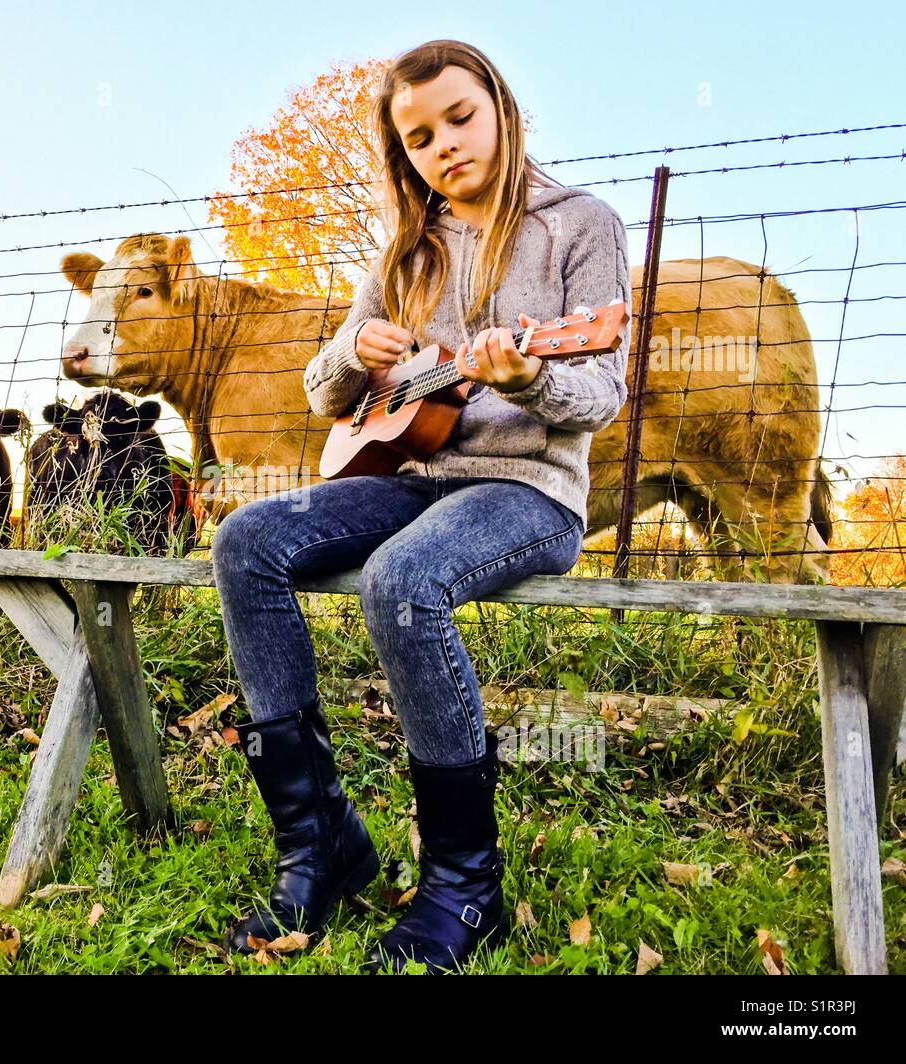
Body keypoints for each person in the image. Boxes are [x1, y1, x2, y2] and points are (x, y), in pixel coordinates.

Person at [209, 38, 632, 973]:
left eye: (459, 117)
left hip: (526, 491)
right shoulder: (409, 246)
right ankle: (318, 844)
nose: (442, 145)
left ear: (502, 109)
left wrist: (527, 379)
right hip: (403, 477)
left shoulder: (581, 226)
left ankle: (462, 883)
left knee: (404, 581)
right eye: (418, 136)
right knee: (245, 538)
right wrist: (355, 348)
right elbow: (326, 394)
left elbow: (601, 390)